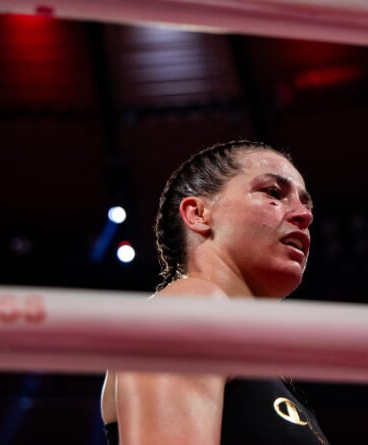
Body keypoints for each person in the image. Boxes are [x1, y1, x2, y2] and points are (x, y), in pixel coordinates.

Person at [100, 140, 328, 444]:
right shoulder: (189, 303)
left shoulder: (265, 370)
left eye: (306, 205)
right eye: (273, 193)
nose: (304, 215)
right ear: (198, 214)